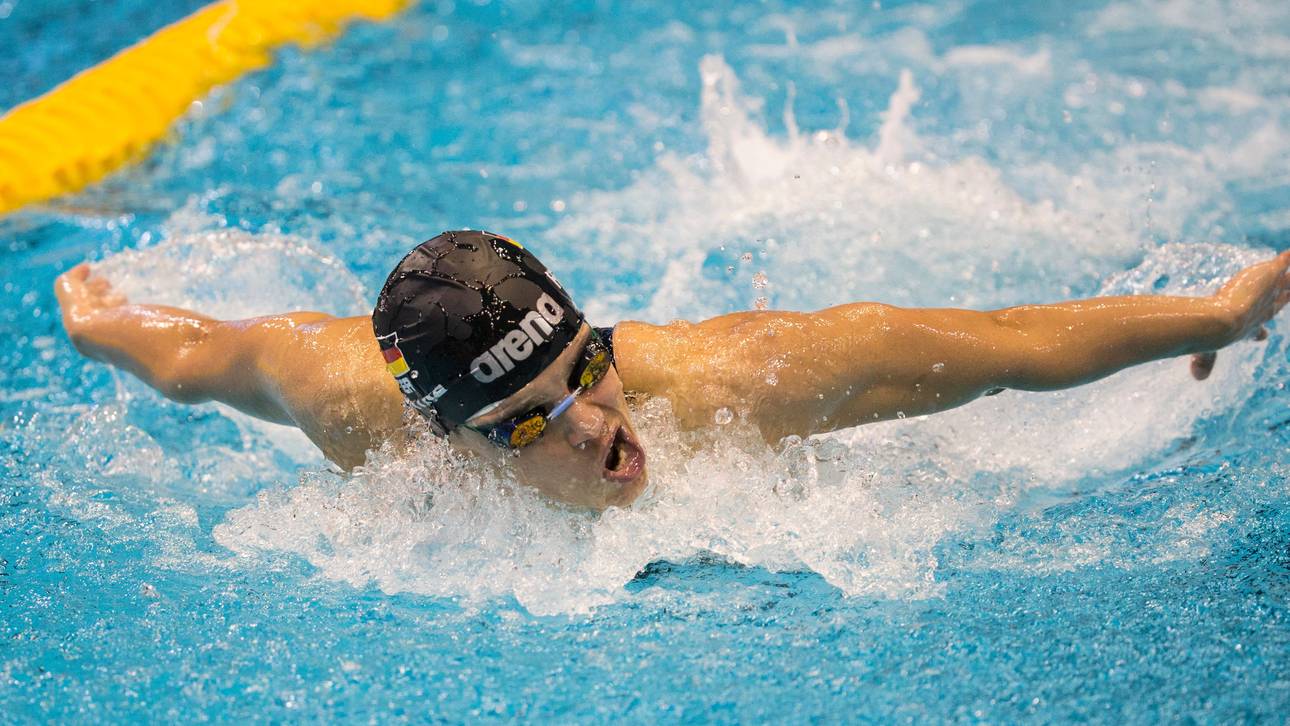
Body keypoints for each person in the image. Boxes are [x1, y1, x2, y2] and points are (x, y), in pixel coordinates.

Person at [55, 230, 1290, 509]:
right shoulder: (342, 405)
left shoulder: (741, 383)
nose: (594, 424)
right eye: (527, 425)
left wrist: (1221, 315)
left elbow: (1011, 345)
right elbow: (199, 355)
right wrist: (90, 311)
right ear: (444, 437)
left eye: (587, 372)